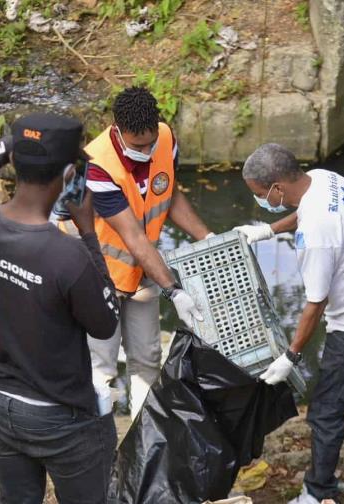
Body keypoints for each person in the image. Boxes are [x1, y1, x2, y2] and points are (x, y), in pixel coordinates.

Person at [0, 112, 120, 504]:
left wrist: (17, 142)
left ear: (15, 164)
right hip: (61, 418)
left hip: (1, 405)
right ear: (67, 177)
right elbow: (106, 322)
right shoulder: (69, 256)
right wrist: (89, 233)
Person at [234, 144, 344, 502]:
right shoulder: (325, 180)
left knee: (326, 412)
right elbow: (305, 214)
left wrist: (291, 355)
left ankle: (316, 494)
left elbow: (315, 304)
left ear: (277, 188)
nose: (260, 200)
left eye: (259, 194)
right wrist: (269, 231)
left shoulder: (316, 236)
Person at [62, 86, 212, 418]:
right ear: (117, 130)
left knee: (147, 358)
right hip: (95, 274)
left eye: (150, 143)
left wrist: (208, 236)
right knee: (101, 363)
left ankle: (140, 432)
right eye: (137, 145)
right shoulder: (96, 165)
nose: (146, 150)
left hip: (141, 272)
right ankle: (101, 431)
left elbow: (169, 195)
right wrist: (174, 290)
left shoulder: (165, 138)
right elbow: (133, 236)